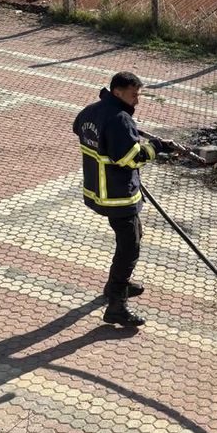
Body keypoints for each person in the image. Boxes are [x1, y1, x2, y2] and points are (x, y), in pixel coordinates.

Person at [73, 72, 164, 327]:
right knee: (129, 249)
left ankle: (116, 284)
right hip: (118, 196)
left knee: (132, 237)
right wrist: (155, 148)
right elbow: (131, 158)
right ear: (117, 92)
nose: (137, 100)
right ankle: (116, 304)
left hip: (97, 190)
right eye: (133, 95)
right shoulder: (120, 119)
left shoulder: (91, 111)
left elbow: (77, 128)